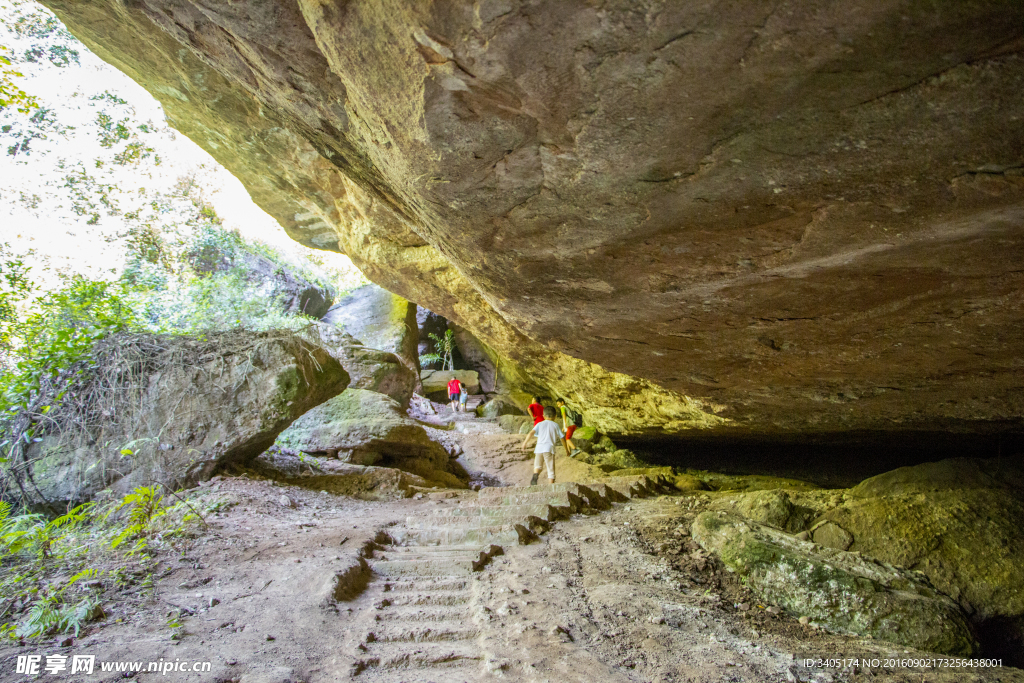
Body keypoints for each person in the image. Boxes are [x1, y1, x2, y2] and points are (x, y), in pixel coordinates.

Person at [521, 406, 569, 485]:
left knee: (538, 466)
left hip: (539, 448)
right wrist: (566, 449)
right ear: (555, 416)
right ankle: (551, 487)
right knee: (550, 470)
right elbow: (562, 438)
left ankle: (535, 475)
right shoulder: (555, 425)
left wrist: (525, 443)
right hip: (549, 449)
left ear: (543, 416)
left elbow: (531, 433)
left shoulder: (540, 424)